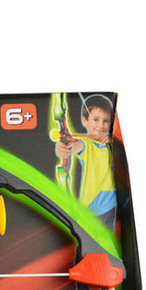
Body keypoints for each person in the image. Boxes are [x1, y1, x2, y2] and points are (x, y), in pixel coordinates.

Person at [55, 95, 116, 227]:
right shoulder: (86, 143)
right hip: (94, 209)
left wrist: (110, 139)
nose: (101, 125)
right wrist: (64, 149)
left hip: (112, 205)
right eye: (96, 119)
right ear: (84, 120)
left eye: (106, 121)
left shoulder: (112, 143)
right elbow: (74, 146)